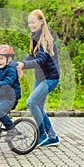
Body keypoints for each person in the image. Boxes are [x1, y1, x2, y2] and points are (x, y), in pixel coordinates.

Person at [17, 9, 60, 147]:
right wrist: (20, 65)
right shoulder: (35, 36)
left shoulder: (46, 40)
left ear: (41, 21)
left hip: (50, 78)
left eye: (33, 22)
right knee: (38, 107)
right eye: (29, 22)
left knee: (31, 102)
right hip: (40, 78)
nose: (31, 25)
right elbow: (32, 55)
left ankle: (42, 135)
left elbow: (40, 60)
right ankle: (53, 137)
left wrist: (24, 65)